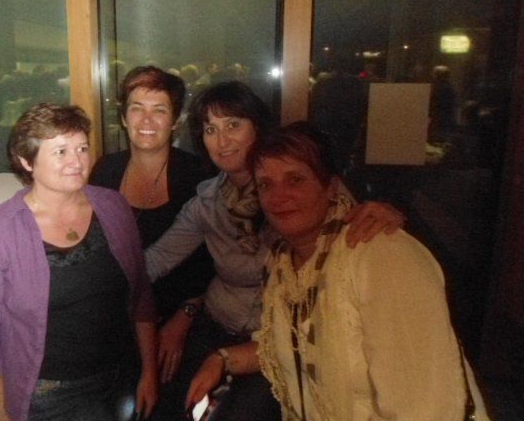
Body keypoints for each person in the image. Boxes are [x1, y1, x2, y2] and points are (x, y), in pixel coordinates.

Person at [145, 82, 406, 421]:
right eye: (210, 129)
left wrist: (387, 217)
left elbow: (353, 226)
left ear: (258, 128)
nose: (222, 140)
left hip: (278, 337)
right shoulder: (206, 203)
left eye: (233, 125)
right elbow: (157, 259)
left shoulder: (298, 193)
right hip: (215, 324)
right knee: (172, 407)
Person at [186, 122, 470, 420]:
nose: (278, 196)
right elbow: (287, 345)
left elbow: (427, 406)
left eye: (295, 180)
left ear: (331, 187)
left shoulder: (380, 254)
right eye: (266, 184)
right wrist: (222, 359)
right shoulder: (283, 264)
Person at [0, 103, 158, 421]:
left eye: (82, 148)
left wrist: (149, 371)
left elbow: (141, 296)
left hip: (122, 373)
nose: (76, 162)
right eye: (60, 151)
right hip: (53, 394)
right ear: (27, 161)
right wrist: (2, 412)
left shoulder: (113, 206)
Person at [90, 66, 215, 380]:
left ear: (175, 120)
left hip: (184, 316)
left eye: (159, 110)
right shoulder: (106, 170)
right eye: (137, 109)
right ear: (124, 118)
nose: (146, 121)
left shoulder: (197, 175)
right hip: (119, 315)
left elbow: (214, 262)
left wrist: (183, 319)